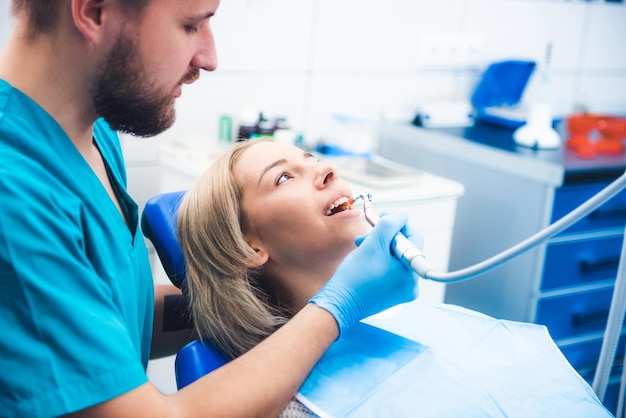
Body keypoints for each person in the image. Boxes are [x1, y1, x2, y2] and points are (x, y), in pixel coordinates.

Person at [0, 1, 420, 417]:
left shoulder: (94, 135)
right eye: (191, 25)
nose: (210, 58)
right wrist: (337, 306)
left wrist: (263, 298)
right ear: (93, 12)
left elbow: (96, 326)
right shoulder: (15, 196)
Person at [177, 139, 614, 418]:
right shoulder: (287, 405)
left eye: (311, 158)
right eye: (285, 176)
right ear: (249, 247)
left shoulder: (413, 319)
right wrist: (341, 302)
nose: (326, 169)